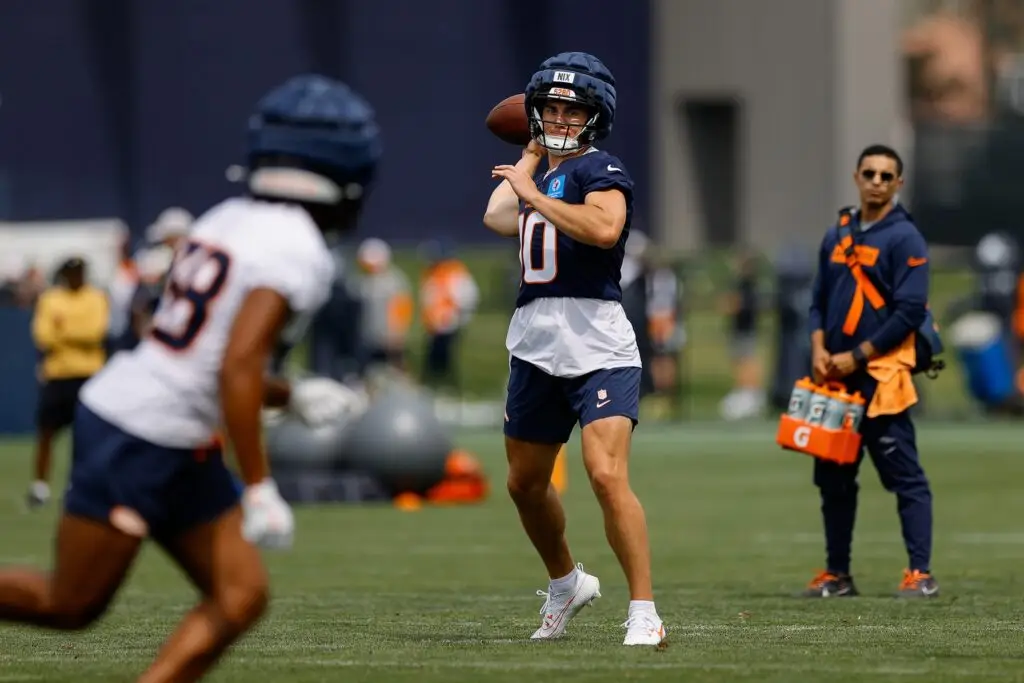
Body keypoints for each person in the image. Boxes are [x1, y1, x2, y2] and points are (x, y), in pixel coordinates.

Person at [0, 73, 382, 682]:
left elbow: (206, 354)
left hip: (170, 429)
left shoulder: (227, 215)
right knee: (69, 603)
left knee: (240, 596)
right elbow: (235, 364)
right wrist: (258, 484)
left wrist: (290, 393)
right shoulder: (297, 247)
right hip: (140, 434)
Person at [484, 51, 666, 645]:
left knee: (605, 475)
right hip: (536, 339)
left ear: (595, 116)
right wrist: (530, 161)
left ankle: (643, 610)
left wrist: (533, 192)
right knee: (524, 483)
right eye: (551, 108)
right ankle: (566, 583)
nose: (560, 118)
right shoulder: (536, 171)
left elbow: (605, 229)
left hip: (597, 339)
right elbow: (496, 217)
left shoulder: (601, 169)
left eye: (572, 109)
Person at [805, 144, 939, 599]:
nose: (878, 182)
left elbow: (909, 311)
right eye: (870, 173)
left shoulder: (906, 238)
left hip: (880, 377)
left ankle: (920, 573)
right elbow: (818, 300)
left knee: (905, 476)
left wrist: (857, 355)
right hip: (834, 378)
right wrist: (820, 348)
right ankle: (837, 575)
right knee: (833, 478)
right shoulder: (838, 231)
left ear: (898, 183)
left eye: (887, 176)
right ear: (856, 177)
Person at [28, 257, 109, 508]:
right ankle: (40, 487)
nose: (75, 278)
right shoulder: (51, 299)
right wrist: (74, 334)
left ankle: (80, 485)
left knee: (86, 435)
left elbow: (95, 332)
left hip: (88, 375)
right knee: (46, 433)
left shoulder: (96, 297)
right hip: (57, 375)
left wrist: (63, 330)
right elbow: (43, 335)